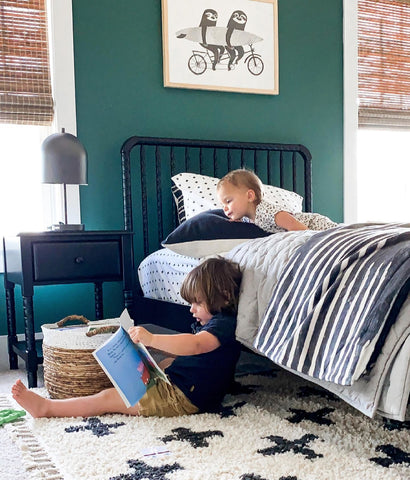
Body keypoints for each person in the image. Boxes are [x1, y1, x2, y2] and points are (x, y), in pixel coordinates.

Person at [11, 257, 242, 418]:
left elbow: (198, 345)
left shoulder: (222, 324)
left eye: (197, 303)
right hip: (185, 383)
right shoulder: (218, 321)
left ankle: (46, 408)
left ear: (222, 295)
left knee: (106, 399)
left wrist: (151, 339)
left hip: (181, 397)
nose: (191, 309)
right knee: (162, 360)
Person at [216, 169, 337, 232]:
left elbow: (294, 225)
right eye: (222, 205)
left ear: (249, 196)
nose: (225, 208)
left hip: (314, 225)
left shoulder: (265, 210)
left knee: (342, 234)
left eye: (228, 201)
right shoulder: (248, 218)